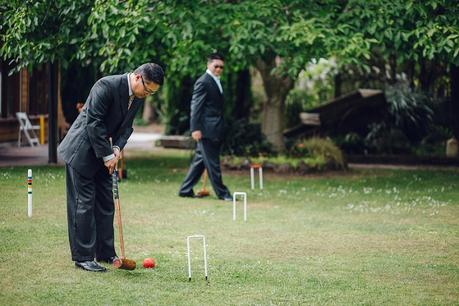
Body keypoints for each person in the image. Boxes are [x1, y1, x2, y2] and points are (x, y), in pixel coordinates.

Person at [58, 63, 164, 272]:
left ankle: (106, 253)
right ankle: (83, 257)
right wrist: (107, 155)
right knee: (84, 203)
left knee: (106, 203)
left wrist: (116, 149)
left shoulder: (137, 97)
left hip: (104, 152)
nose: (147, 95)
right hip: (81, 151)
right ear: (137, 77)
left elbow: (126, 128)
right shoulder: (105, 86)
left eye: (152, 92)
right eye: (148, 89)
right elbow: (94, 122)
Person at [178, 53, 232, 201]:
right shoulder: (204, 81)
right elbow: (195, 107)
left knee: (200, 161)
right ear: (209, 65)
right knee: (213, 163)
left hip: (214, 128)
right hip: (206, 130)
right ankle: (223, 193)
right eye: (216, 66)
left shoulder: (215, 81)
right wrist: (195, 128)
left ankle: (185, 189)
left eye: (221, 67)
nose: (219, 69)